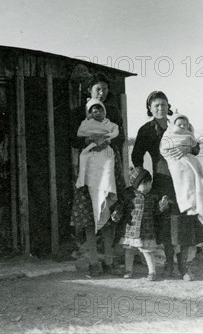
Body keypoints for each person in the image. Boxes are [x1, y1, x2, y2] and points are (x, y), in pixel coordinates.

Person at [132, 91, 203, 281]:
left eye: (163, 104)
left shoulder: (178, 124)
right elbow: (136, 156)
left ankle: (183, 266)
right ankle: (169, 264)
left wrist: (188, 148)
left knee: (186, 218)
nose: (160, 108)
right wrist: (142, 179)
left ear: (168, 106)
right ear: (150, 108)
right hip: (163, 178)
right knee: (167, 221)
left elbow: (195, 146)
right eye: (156, 105)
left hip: (184, 178)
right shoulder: (146, 130)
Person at [70, 74, 125, 276]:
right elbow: (72, 139)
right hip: (89, 168)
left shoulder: (112, 113)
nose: (102, 93)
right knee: (88, 217)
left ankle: (109, 261)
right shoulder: (79, 113)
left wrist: (107, 140)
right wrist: (90, 140)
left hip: (109, 167)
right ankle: (94, 262)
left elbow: (121, 136)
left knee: (109, 213)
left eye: (105, 89)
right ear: (89, 91)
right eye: (98, 89)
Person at [160, 112, 203, 228]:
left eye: (185, 125)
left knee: (191, 182)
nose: (182, 127)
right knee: (183, 184)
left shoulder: (189, 134)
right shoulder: (169, 133)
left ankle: (194, 206)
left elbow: (195, 148)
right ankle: (188, 206)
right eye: (180, 124)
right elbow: (164, 147)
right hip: (173, 165)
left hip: (187, 161)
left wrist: (188, 147)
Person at [75, 98, 119, 232]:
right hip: (91, 152)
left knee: (107, 179)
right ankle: (98, 214)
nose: (97, 113)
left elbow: (115, 131)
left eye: (100, 110)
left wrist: (106, 139)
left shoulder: (109, 123)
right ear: (89, 113)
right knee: (94, 187)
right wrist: (92, 139)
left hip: (105, 152)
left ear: (104, 112)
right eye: (94, 111)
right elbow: (81, 133)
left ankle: (106, 200)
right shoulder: (86, 123)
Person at [120, 167, 164, 281]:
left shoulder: (152, 196)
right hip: (131, 228)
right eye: (145, 184)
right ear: (136, 184)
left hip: (146, 229)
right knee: (129, 251)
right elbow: (122, 208)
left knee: (147, 251)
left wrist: (162, 205)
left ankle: (152, 272)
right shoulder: (129, 195)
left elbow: (156, 211)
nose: (148, 187)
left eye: (150, 184)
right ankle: (128, 270)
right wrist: (117, 214)